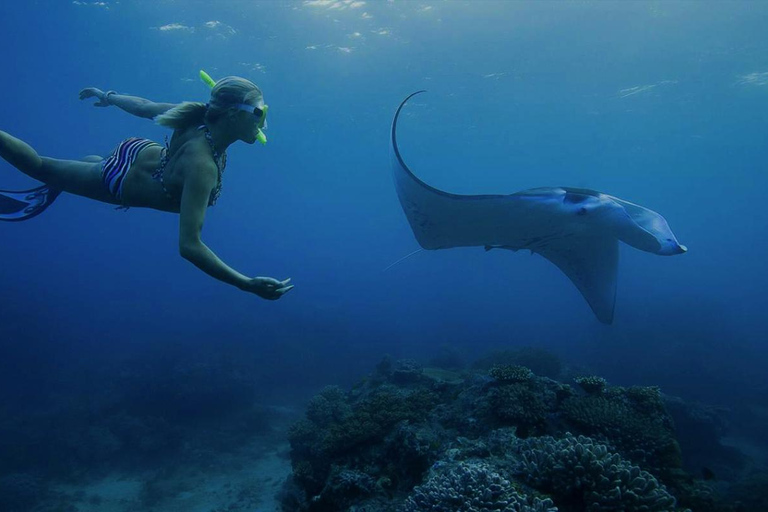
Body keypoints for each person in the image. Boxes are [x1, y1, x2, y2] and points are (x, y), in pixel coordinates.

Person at [0, 74, 293, 300]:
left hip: (139, 154)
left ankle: (87, 167)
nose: (262, 121)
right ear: (233, 114)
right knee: (39, 167)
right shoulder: (202, 168)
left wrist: (108, 95)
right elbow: (190, 246)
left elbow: (143, 107)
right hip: (120, 181)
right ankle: (74, 173)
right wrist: (246, 283)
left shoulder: (198, 118)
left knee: (93, 167)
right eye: (258, 112)